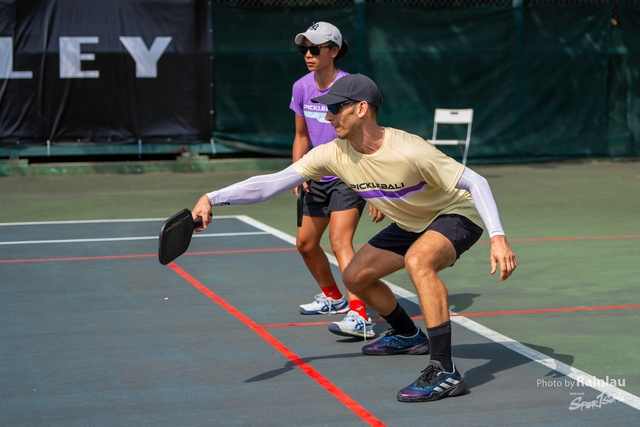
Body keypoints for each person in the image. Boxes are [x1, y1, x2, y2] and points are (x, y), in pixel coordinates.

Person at [191, 74, 517, 403]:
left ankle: (444, 370)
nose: (327, 116)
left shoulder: (409, 149)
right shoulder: (332, 154)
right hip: (411, 222)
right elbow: (272, 183)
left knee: (419, 261)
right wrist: (211, 198)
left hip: (455, 214)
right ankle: (408, 335)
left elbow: (475, 181)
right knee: (355, 276)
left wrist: (498, 237)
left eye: (335, 108)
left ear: (361, 109)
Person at [290, 22, 383, 340]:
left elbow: (369, 136)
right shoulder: (301, 87)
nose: (308, 54)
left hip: (349, 175)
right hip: (316, 175)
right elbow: (301, 136)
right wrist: (298, 172)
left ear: (334, 50)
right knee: (305, 244)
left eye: (315, 49)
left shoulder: (352, 86)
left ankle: (360, 316)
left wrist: (374, 187)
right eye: (304, 49)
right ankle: (333, 297)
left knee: (340, 241)